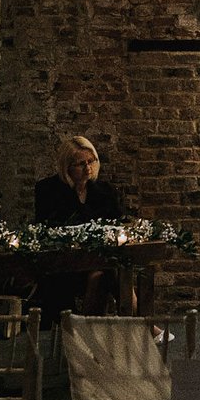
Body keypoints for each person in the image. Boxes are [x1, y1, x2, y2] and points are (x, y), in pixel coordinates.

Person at [33, 135, 125, 324]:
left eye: (91, 161)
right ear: (66, 167)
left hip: (97, 260)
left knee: (104, 273)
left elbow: (117, 223)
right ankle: (143, 324)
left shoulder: (104, 191)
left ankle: (86, 330)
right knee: (109, 273)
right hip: (65, 264)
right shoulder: (48, 190)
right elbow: (47, 228)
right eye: (80, 164)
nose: (87, 168)